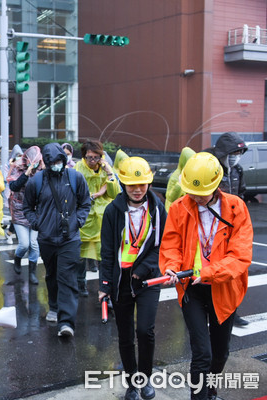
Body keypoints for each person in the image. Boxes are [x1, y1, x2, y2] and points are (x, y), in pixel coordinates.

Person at [159, 152, 253, 400]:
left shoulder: (236, 207)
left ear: (216, 185)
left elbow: (240, 256)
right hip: (192, 288)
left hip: (224, 288)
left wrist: (210, 272)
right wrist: (171, 266)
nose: (195, 198)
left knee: (220, 353)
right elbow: (171, 244)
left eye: (200, 193)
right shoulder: (180, 208)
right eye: (191, 192)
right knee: (202, 354)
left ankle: (209, 391)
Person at [99, 157, 166, 400]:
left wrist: (145, 267)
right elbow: (106, 250)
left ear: (149, 183)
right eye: (131, 185)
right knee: (125, 335)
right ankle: (132, 383)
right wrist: (104, 285)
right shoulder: (112, 211)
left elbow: (163, 245)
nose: (137, 190)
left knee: (145, 331)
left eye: (142, 184)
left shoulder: (158, 207)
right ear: (123, 184)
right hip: (120, 281)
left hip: (148, 280)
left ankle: (145, 379)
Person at [23, 143, 91, 337]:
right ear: (46, 161)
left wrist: (78, 221)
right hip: (46, 238)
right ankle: (53, 305)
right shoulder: (36, 181)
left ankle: (66, 323)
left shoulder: (75, 177)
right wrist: (38, 224)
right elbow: (27, 207)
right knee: (52, 275)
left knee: (67, 277)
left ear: (64, 159)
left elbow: (85, 202)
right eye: (52, 162)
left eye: (59, 161)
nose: (56, 165)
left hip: (70, 238)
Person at [204, 132, 250, 327]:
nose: (236, 155)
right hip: (213, 229)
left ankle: (232, 311)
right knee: (211, 271)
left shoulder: (237, 170)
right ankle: (204, 312)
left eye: (239, 152)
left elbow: (241, 193)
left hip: (233, 228)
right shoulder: (211, 169)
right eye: (233, 151)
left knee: (233, 272)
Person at [75, 140, 120, 296]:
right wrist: (96, 194)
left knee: (105, 256)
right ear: (84, 157)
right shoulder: (78, 169)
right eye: (89, 157)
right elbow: (75, 194)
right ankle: (81, 284)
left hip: (103, 219)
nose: (92, 161)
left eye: (96, 157)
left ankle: (105, 286)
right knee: (81, 256)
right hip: (84, 219)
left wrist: (109, 172)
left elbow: (115, 193)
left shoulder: (106, 168)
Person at [7, 145, 44, 284]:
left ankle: (32, 273)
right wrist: (26, 173)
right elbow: (13, 186)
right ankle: (17, 258)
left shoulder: (42, 171)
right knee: (24, 244)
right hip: (19, 210)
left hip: (35, 212)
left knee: (34, 244)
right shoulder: (18, 168)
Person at [205, 131, 248, 198]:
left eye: (238, 154)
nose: (235, 157)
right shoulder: (210, 168)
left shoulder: (238, 170)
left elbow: (241, 192)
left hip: (232, 207)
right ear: (223, 153)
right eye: (233, 154)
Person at [165, 147, 196, 211]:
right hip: (173, 211)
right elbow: (170, 197)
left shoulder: (189, 174)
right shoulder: (176, 176)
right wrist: (179, 184)